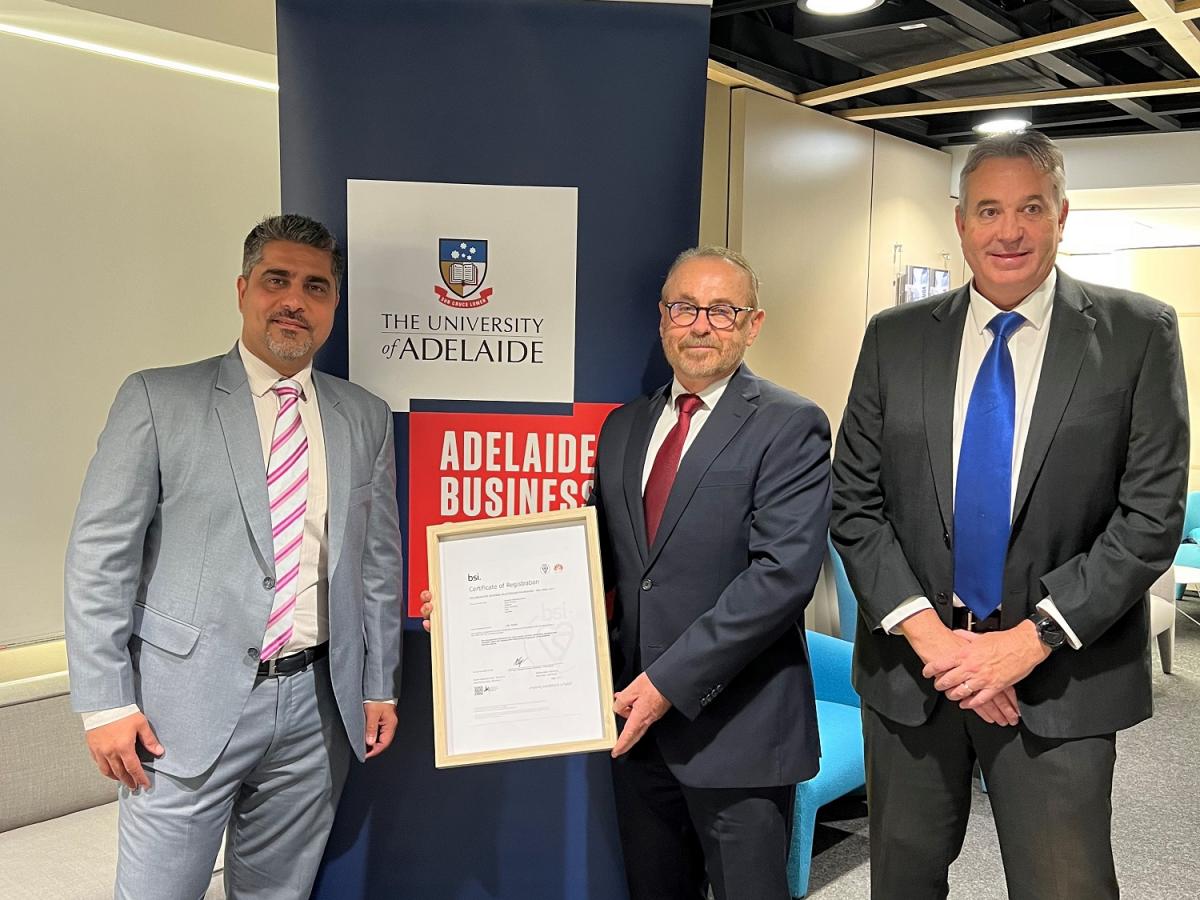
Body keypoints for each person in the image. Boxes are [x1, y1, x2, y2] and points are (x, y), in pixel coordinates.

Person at [831, 130, 1189, 899]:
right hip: (913, 678)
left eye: (1031, 207)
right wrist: (944, 648)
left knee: (1067, 887)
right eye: (989, 209)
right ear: (960, 222)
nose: (1010, 230)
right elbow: (855, 505)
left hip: (1060, 676)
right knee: (902, 883)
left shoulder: (1138, 334)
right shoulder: (894, 338)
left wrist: (1027, 643)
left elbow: (1150, 516)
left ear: (1064, 216)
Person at [424, 246, 831, 900]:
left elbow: (781, 578)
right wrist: (473, 606)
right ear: (662, 319)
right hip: (635, 732)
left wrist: (667, 683)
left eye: (721, 311)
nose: (700, 325)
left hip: (739, 733)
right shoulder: (624, 428)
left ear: (753, 324)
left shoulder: (790, 424)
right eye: (684, 308)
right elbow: (594, 563)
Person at [65, 214, 404, 899]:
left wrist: (378, 680)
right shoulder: (160, 399)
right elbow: (100, 556)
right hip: (176, 712)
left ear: (333, 306)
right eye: (277, 280)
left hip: (316, 708)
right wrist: (103, 704)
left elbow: (376, 563)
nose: (294, 300)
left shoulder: (363, 416)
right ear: (244, 288)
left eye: (315, 287)